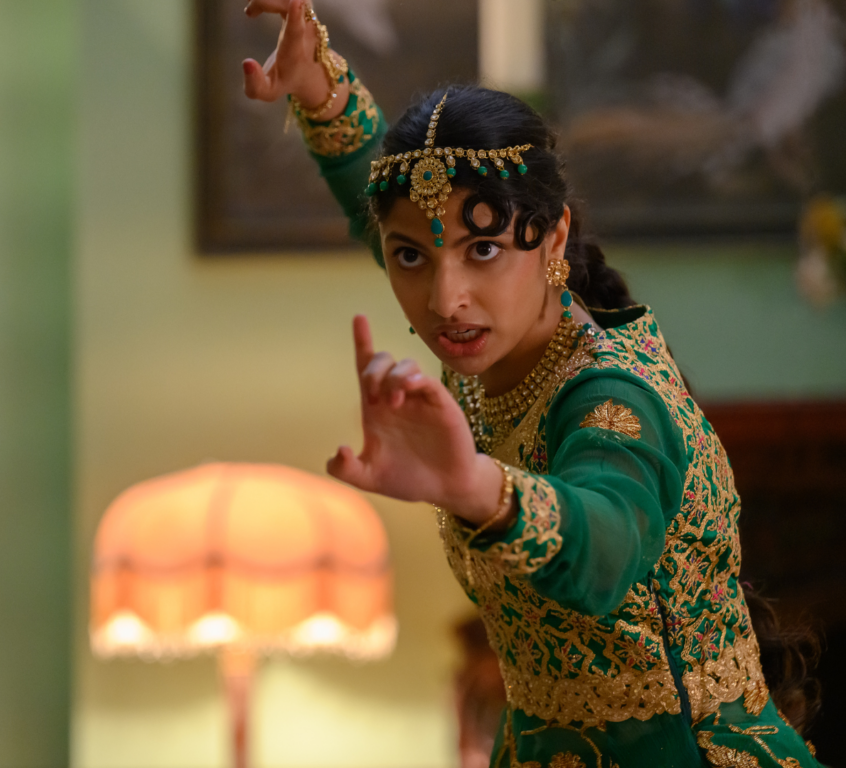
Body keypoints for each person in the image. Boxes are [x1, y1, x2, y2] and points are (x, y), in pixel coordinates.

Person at [242, 2, 824, 765]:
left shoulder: (612, 395)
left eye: (484, 250)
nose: (445, 298)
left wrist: (480, 487)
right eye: (409, 258)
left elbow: (607, 543)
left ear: (552, 238)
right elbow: (382, 204)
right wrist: (320, 89)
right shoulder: (488, 333)